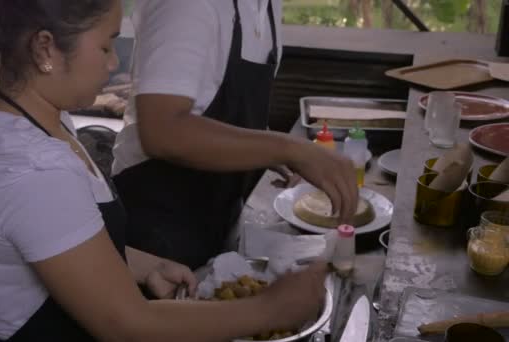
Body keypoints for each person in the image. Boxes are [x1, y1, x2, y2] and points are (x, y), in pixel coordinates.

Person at [0, 1, 328, 341]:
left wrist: (145, 265)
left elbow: (64, 246)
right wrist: (270, 310)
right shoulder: (28, 168)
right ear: (45, 48)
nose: (114, 62)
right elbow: (126, 324)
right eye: (105, 46)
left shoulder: (42, 125)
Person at [112, 0, 359, 270]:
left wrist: (263, 146)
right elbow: (162, 130)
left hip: (218, 216)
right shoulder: (187, 6)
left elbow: (215, 103)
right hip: (155, 232)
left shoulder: (265, 6)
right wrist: (287, 148)